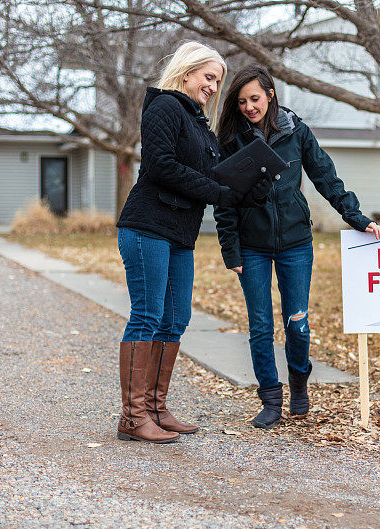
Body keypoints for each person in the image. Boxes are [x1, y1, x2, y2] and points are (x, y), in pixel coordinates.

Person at [214, 65, 380, 430]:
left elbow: (326, 177)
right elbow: (224, 202)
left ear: (271, 94)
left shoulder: (297, 133)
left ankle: (299, 384)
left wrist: (356, 218)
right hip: (252, 247)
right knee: (260, 325)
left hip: (295, 243)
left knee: (298, 323)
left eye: (255, 98)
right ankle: (270, 400)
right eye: (242, 101)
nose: (249, 107)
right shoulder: (230, 141)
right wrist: (232, 252)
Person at [115, 43, 271, 444]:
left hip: (180, 235)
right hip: (147, 225)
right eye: (209, 77)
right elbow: (162, 166)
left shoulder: (199, 124)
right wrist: (220, 193)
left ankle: (155, 408)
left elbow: (219, 175)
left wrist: (249, 184)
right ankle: (133, 418)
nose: (214, 87)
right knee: (147, 316)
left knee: (175, 319)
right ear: (186, 72)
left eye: (218, 81)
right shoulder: (164, 108)